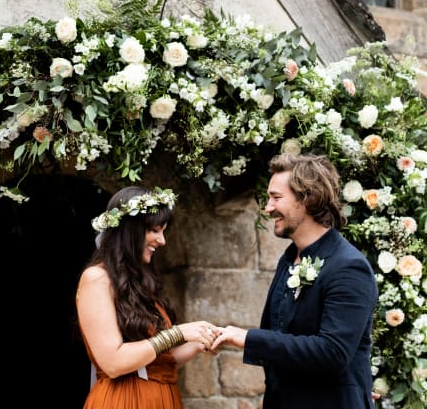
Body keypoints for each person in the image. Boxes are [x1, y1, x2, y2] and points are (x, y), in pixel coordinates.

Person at [211, 153, 378, 409]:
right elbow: (280, 335)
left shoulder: (349, 267)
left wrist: (248, 338)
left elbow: (333, 352)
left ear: (309, 199)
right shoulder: (288, 259)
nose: (267, 208)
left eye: (276, 198)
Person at [76, 185, 220, 408]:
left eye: (163, 231)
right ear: (130, 231)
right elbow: (113, 362)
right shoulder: (97, 278)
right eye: (155, 230)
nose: (162, 241)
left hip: (162, 398)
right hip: (124, 400)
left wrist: (199, 343)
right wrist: (178, 333)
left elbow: (156, 363)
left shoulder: (141, 283)